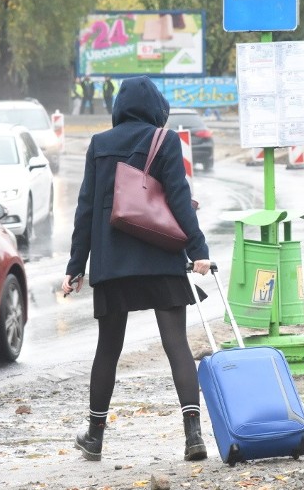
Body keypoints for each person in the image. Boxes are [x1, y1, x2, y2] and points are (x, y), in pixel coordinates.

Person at [62, 75, 211, 463]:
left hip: (112, 264)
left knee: (108, 348)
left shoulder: (99, 144)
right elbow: (179, 200)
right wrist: (199, 251)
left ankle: (94, 437)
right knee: (176, 343)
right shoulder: (165, 141)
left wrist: (75, 267)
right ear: (155, 106)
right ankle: (193, 435)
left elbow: (86, 210)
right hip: (161, 259)